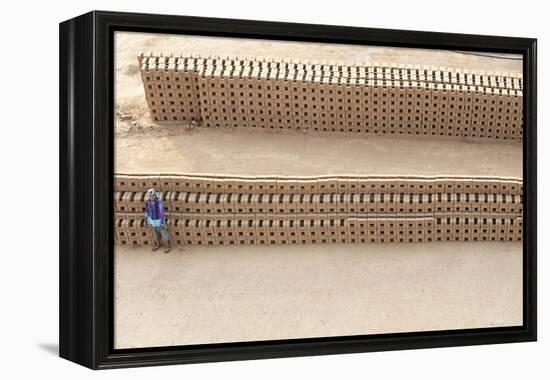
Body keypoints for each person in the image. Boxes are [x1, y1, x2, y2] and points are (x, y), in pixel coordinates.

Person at [144, 188, 171, 253]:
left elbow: (162, 212)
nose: (151, 197)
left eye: (153, 196)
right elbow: (147, 211)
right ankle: (157, 244)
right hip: (152, 221)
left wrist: (161, 222)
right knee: (155, 233)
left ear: (155, 195)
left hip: (159, 220)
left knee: (163, 233)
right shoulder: (147, 202)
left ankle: (167, 246)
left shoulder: (159, 202)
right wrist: (146, 220)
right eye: (150, 196)